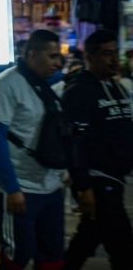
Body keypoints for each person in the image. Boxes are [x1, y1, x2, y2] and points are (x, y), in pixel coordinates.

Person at [0, 29, 66, 270]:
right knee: (16, 254)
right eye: (51, 56)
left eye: (57, 56)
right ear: (32, 55)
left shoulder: (50, 86)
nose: (57, 62)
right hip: (20, 189)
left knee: (52, 253)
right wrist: (12, 188)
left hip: (50, 185)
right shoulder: (4, 86)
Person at [62, 29, 133, 270]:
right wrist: (83, 186)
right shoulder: (79, 90)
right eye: (107, 54)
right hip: (98, 178)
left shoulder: (116, 87)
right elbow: (74, 141)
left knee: (90, 234)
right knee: (122, 243)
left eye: (116, 53)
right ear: (90, 57)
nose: (114, 59)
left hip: (116, 176)